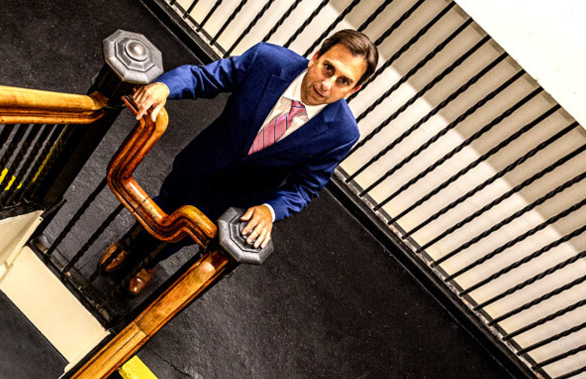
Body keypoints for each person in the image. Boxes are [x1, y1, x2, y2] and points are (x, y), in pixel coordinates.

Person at [101, 29, 378, 294]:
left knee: (186, 233)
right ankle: (129, 245)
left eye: (344, 81)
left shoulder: (342, 133)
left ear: (353, 90)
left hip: (238, 197)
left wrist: (270, 210)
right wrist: (165, 86)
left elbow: (305, 188)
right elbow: (203, 78)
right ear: (315, 56)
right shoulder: (267, 59)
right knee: (165, 203)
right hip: (200, 163)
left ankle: (147, 264)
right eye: (328, 68)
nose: (327, 85)